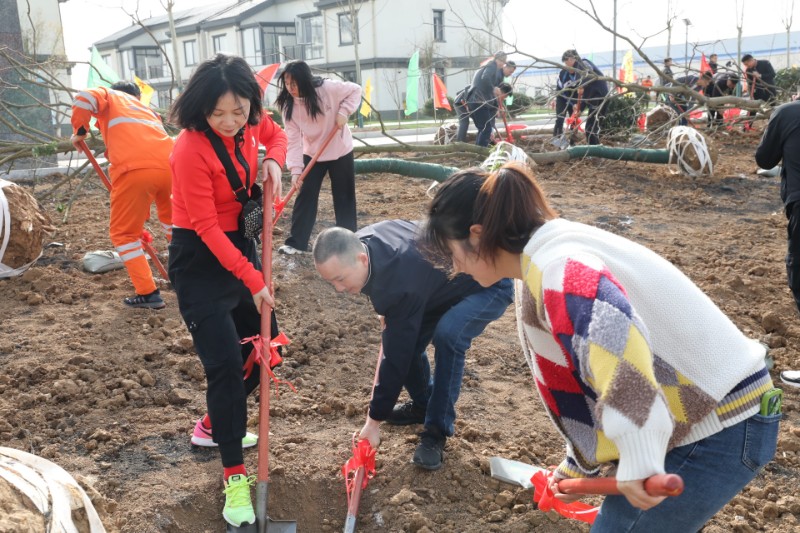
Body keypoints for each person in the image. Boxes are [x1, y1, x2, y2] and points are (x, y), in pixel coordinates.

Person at [423, 162, 780, 532]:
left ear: (477, 235)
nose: (455, 267)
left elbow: (616, 339)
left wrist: (640, 452)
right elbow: (587, 374)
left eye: (451, 252)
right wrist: (578, 466)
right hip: (707, 414)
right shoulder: (541, 257)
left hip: (719, 424)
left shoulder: (558, 266)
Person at [167, 53, 288, 529]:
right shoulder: (188, 150)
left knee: (267, 350)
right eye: (219, 113)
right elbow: (205, 228)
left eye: (239, 111)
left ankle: (216, 424)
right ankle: (235, 477)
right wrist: (253, 279)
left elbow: (276, 135)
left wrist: (273, 162)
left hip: (240, 247)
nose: (231, 121)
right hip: (201, 260)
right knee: (223, 369)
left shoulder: (251, 122)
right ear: (201, 109)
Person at [312, 222, 513, 470]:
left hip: (489, 283)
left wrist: (374, 421)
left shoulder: (399, 281)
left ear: (362, 259)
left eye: (340, 279)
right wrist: (389, 310)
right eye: (331, 282)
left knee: (448, 335)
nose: (339, 289)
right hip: (439, 286)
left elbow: (396, 356)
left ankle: (435, 433)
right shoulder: (362, 245)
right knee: (406, 341)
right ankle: (422, 405)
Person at [70, 81, 173, 309]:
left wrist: (80, 131)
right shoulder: (147, 111)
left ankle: (148, 293)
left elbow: (84, 97)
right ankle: (185, 279)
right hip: (170, 168)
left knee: (124, 234)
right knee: (174, 226)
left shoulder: (111, 96)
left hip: (134, 170)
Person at [274, 60, 362, 255]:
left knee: (344, 196)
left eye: (294, 83)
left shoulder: (328, 89)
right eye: (287, 83)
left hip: (340, 149)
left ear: (305, 80)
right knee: (305, 195)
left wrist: (344, 111)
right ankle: (296, 243)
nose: (290, 88)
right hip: (312, 152)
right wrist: (296, 170)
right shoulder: (289, 107)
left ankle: (348, 243)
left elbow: (356, 90)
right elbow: (293, 141)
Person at [457, 59, 516, 143]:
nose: (510, 74)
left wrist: (498, 108)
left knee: (484, 128)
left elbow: (492, 112)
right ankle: (460, 144)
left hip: (477, 101)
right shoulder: (495, 73)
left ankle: (481, 145)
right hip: (463, 101)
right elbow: (488, 87)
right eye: (510, 72)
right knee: (465, 123)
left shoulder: (499, 78)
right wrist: (497, 109)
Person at [562, 49, 609, 145]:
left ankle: (594, 150)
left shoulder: (583, 63)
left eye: (566, 64)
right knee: (591, 128)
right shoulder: (578, 72)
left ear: (571, 59)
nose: (566, 67)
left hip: (599, 97)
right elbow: (585, 94)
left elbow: (588, 73)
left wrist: (581, 85)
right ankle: (594, 148)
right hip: (594, 98)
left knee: (591, 128)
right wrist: (580, 109)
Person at [464, 51, 509, 147]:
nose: (502, 63)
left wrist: (497, 107)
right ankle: (480, 153)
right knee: (486, 129)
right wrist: (493, 88)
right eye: (501, 60)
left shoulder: (497, 72)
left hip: (480, 102)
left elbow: (493, 94)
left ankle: (478, 151)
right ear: (496, 59)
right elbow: (485, 78)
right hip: (478, 100)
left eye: (504, 61)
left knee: (484, 129)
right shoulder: (491, 66)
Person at [742, 53, 777, 130]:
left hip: (769, 91)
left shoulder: (765, 63)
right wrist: (751, 95)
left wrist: (760, 76)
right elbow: (750, 84)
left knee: (771, 109)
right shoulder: (748, 70)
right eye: (745, 65)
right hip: (758, 92)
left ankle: (772, 128)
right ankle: (746, 127)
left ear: (751, 60)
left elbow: (773, 74)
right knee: (753, 109)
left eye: (747, 64)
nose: (746, 66)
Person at [553, 52, 579, 139]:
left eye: (567, 63)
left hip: (575, 98)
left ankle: (573, 139)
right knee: (560, 118)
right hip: (562, 97)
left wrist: (576, 103)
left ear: (573, 60)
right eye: (565, 64)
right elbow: (564, 92)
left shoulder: (580, 72)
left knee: (574, 119)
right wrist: (573, 103)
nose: (566, 66)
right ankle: (556, 138)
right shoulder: (563, 73)